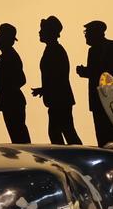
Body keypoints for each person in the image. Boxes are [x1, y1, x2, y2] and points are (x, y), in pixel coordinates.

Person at [31, 16, 82, 145]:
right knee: (63, 132)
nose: (39, 32)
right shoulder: (52, 49)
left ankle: (78, 155)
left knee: (62, 132)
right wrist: (43, 89)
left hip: (60, 100)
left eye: (42, 30)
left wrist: (45, 89)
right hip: (59, 100)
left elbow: (58, 78)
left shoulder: (55, 51)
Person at [0, 23, 31, 143]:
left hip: (12, 103)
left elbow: (21, 79)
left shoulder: (10, 57)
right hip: (10, 103)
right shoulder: (5, 57)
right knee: (18, 136)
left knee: (19, 137)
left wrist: (7, 91)